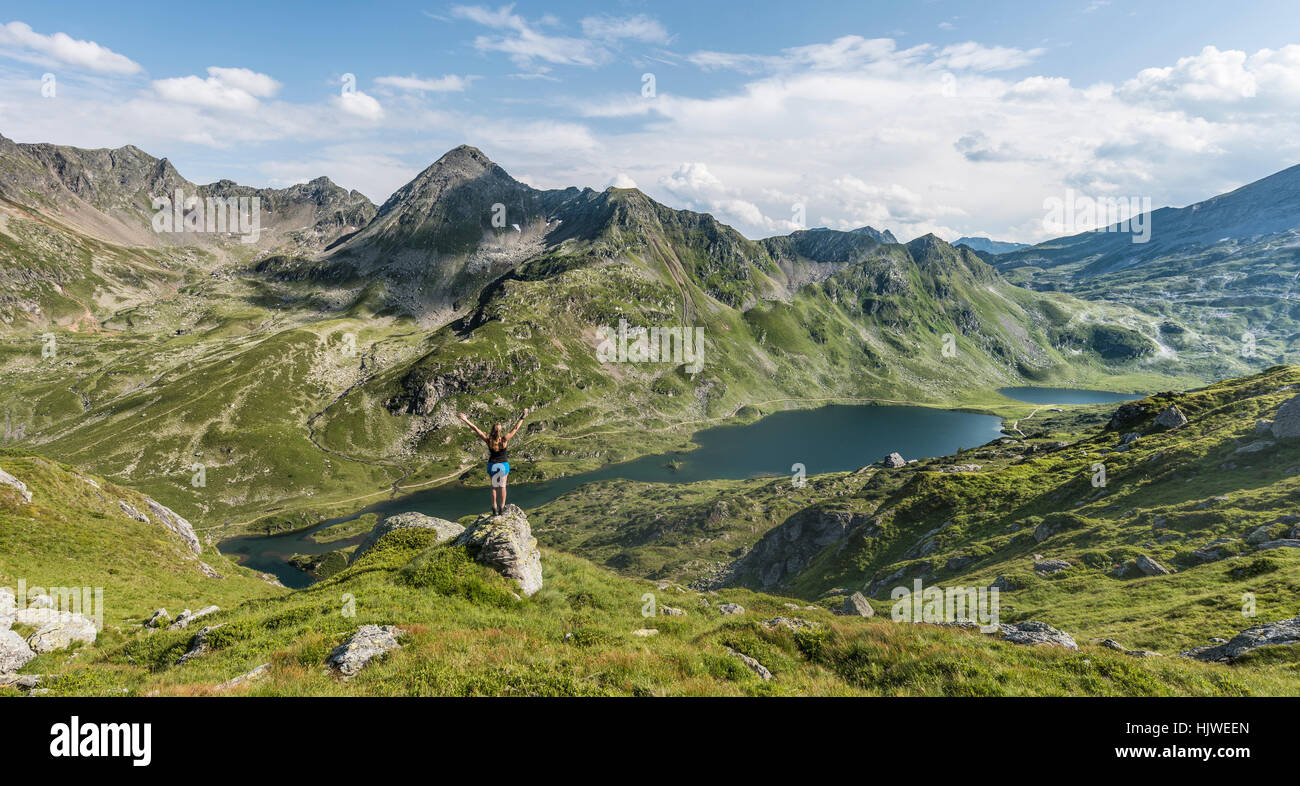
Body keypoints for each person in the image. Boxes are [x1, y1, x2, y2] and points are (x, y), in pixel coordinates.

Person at [459, 408, 528, 515]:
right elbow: (515, 428)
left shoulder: (488, 440)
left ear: (492, 430)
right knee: (503, 486)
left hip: (492, 465)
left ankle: (494, 509)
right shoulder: (504, 440)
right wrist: (523, 416)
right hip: (503, 465)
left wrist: (465, 419)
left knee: (494, 488)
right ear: (500, 431)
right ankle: (502, 508)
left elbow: (475, 428)